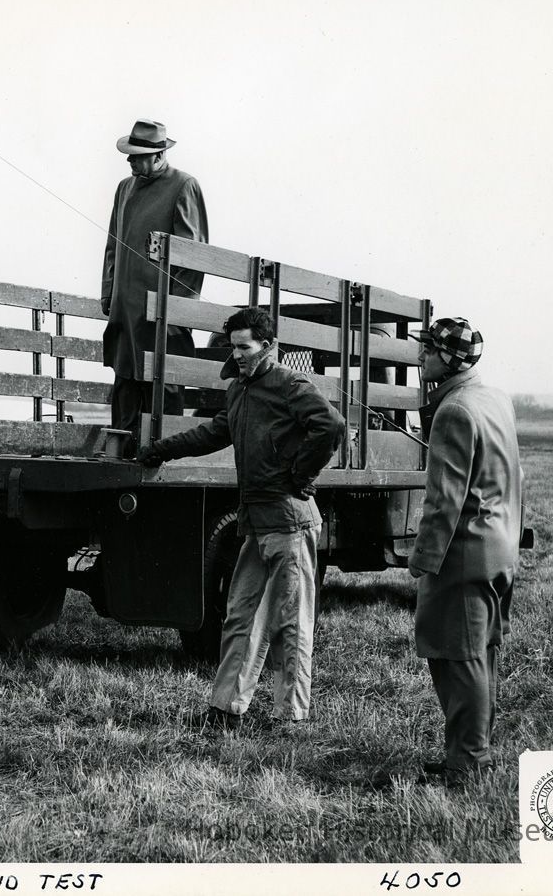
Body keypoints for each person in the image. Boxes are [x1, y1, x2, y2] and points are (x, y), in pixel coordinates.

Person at [139, 307, 344, 730]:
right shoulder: (238, 390)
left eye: (245, 347)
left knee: (290, 621)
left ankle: (291, 714)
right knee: (239, 616)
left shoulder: (290, 384)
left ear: (268, 346)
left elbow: (331, 425)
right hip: (254, 523)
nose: (238, 356)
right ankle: (226, 707)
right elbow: (213, 433)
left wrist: (300, 474)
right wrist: (161, 450)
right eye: (232, 347)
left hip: (290, 523)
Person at [407, 317, 522, 785]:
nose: (421, 355)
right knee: (480, 655)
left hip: (464, 553)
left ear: (449, 359)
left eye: (429, 349)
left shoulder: (454, 410)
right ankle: (469, 754)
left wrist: (422, 560)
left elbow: (444, 500)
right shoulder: (494, 399)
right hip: (498, 549)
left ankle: (469, 763)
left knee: (459, 658)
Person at [101, 118, 208, 445]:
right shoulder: (125, 188)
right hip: (126, 312)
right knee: (126, 384)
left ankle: (163, 455)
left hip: (162, 316)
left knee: (164, 383)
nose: (129, 160)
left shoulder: (183, 185)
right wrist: (109, 293)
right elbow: (112, 245)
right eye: (129, 154)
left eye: (136, 155)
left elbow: (192, 255)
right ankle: (122, 455)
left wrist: (175, 310)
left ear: (158, 155)